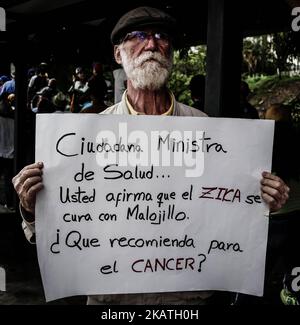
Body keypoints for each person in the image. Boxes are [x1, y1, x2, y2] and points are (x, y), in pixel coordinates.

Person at [12, 6, 290, 305]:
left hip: (188, 301)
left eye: (161, 36)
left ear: (170, 52)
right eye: (137, 36)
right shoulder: (82, 139)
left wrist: (263, 201)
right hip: (113, 302)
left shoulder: (209, 132)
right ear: (118, 54)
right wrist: (31, 208)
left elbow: (232, 212)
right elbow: (53, 231)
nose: (152, 44)